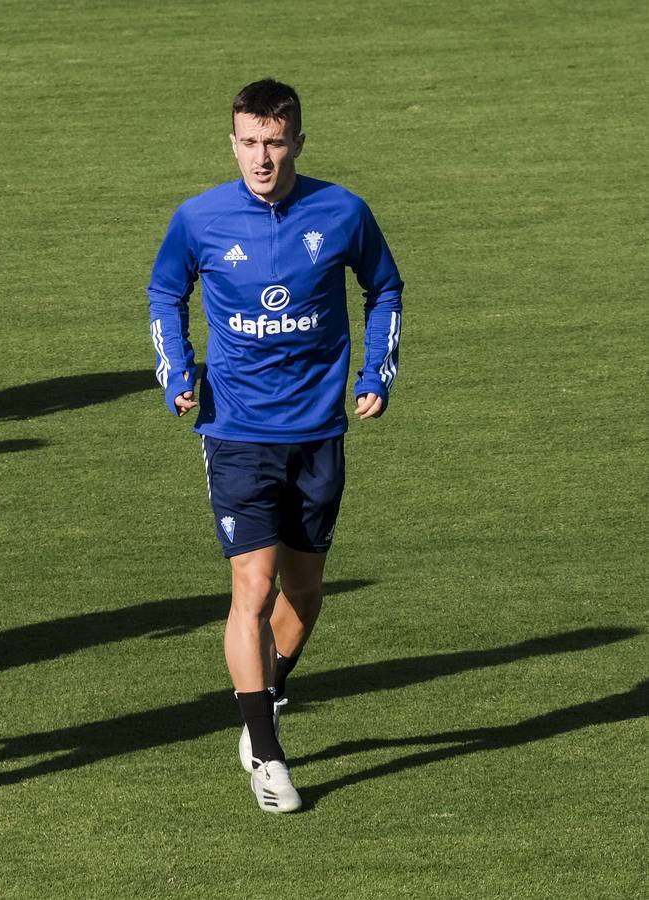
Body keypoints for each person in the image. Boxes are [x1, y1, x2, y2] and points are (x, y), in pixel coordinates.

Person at [147, 78, 403, 813]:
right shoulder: (197, 218)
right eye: (248, 142)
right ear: (232, 142)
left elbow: (384, 287)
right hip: (234, 431)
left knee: (304, 592)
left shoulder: (342, 211)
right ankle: (264, 751)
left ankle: (268, 688)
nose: (261, 157)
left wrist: (374, 370)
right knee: (251, 588)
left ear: (296, 140)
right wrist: (176, 374)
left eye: (274, 142)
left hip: (318, 430)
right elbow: (165, 292)